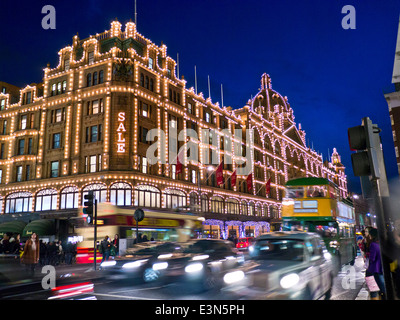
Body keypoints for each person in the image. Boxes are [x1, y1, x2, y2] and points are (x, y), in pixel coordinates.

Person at [366, 228, 386, 300]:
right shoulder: (381, 243)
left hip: (375, 268)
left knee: (376, 288)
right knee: (382, 287)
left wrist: (367, 254)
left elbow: (372, 258)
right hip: (381, 267)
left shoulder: (373, 244)